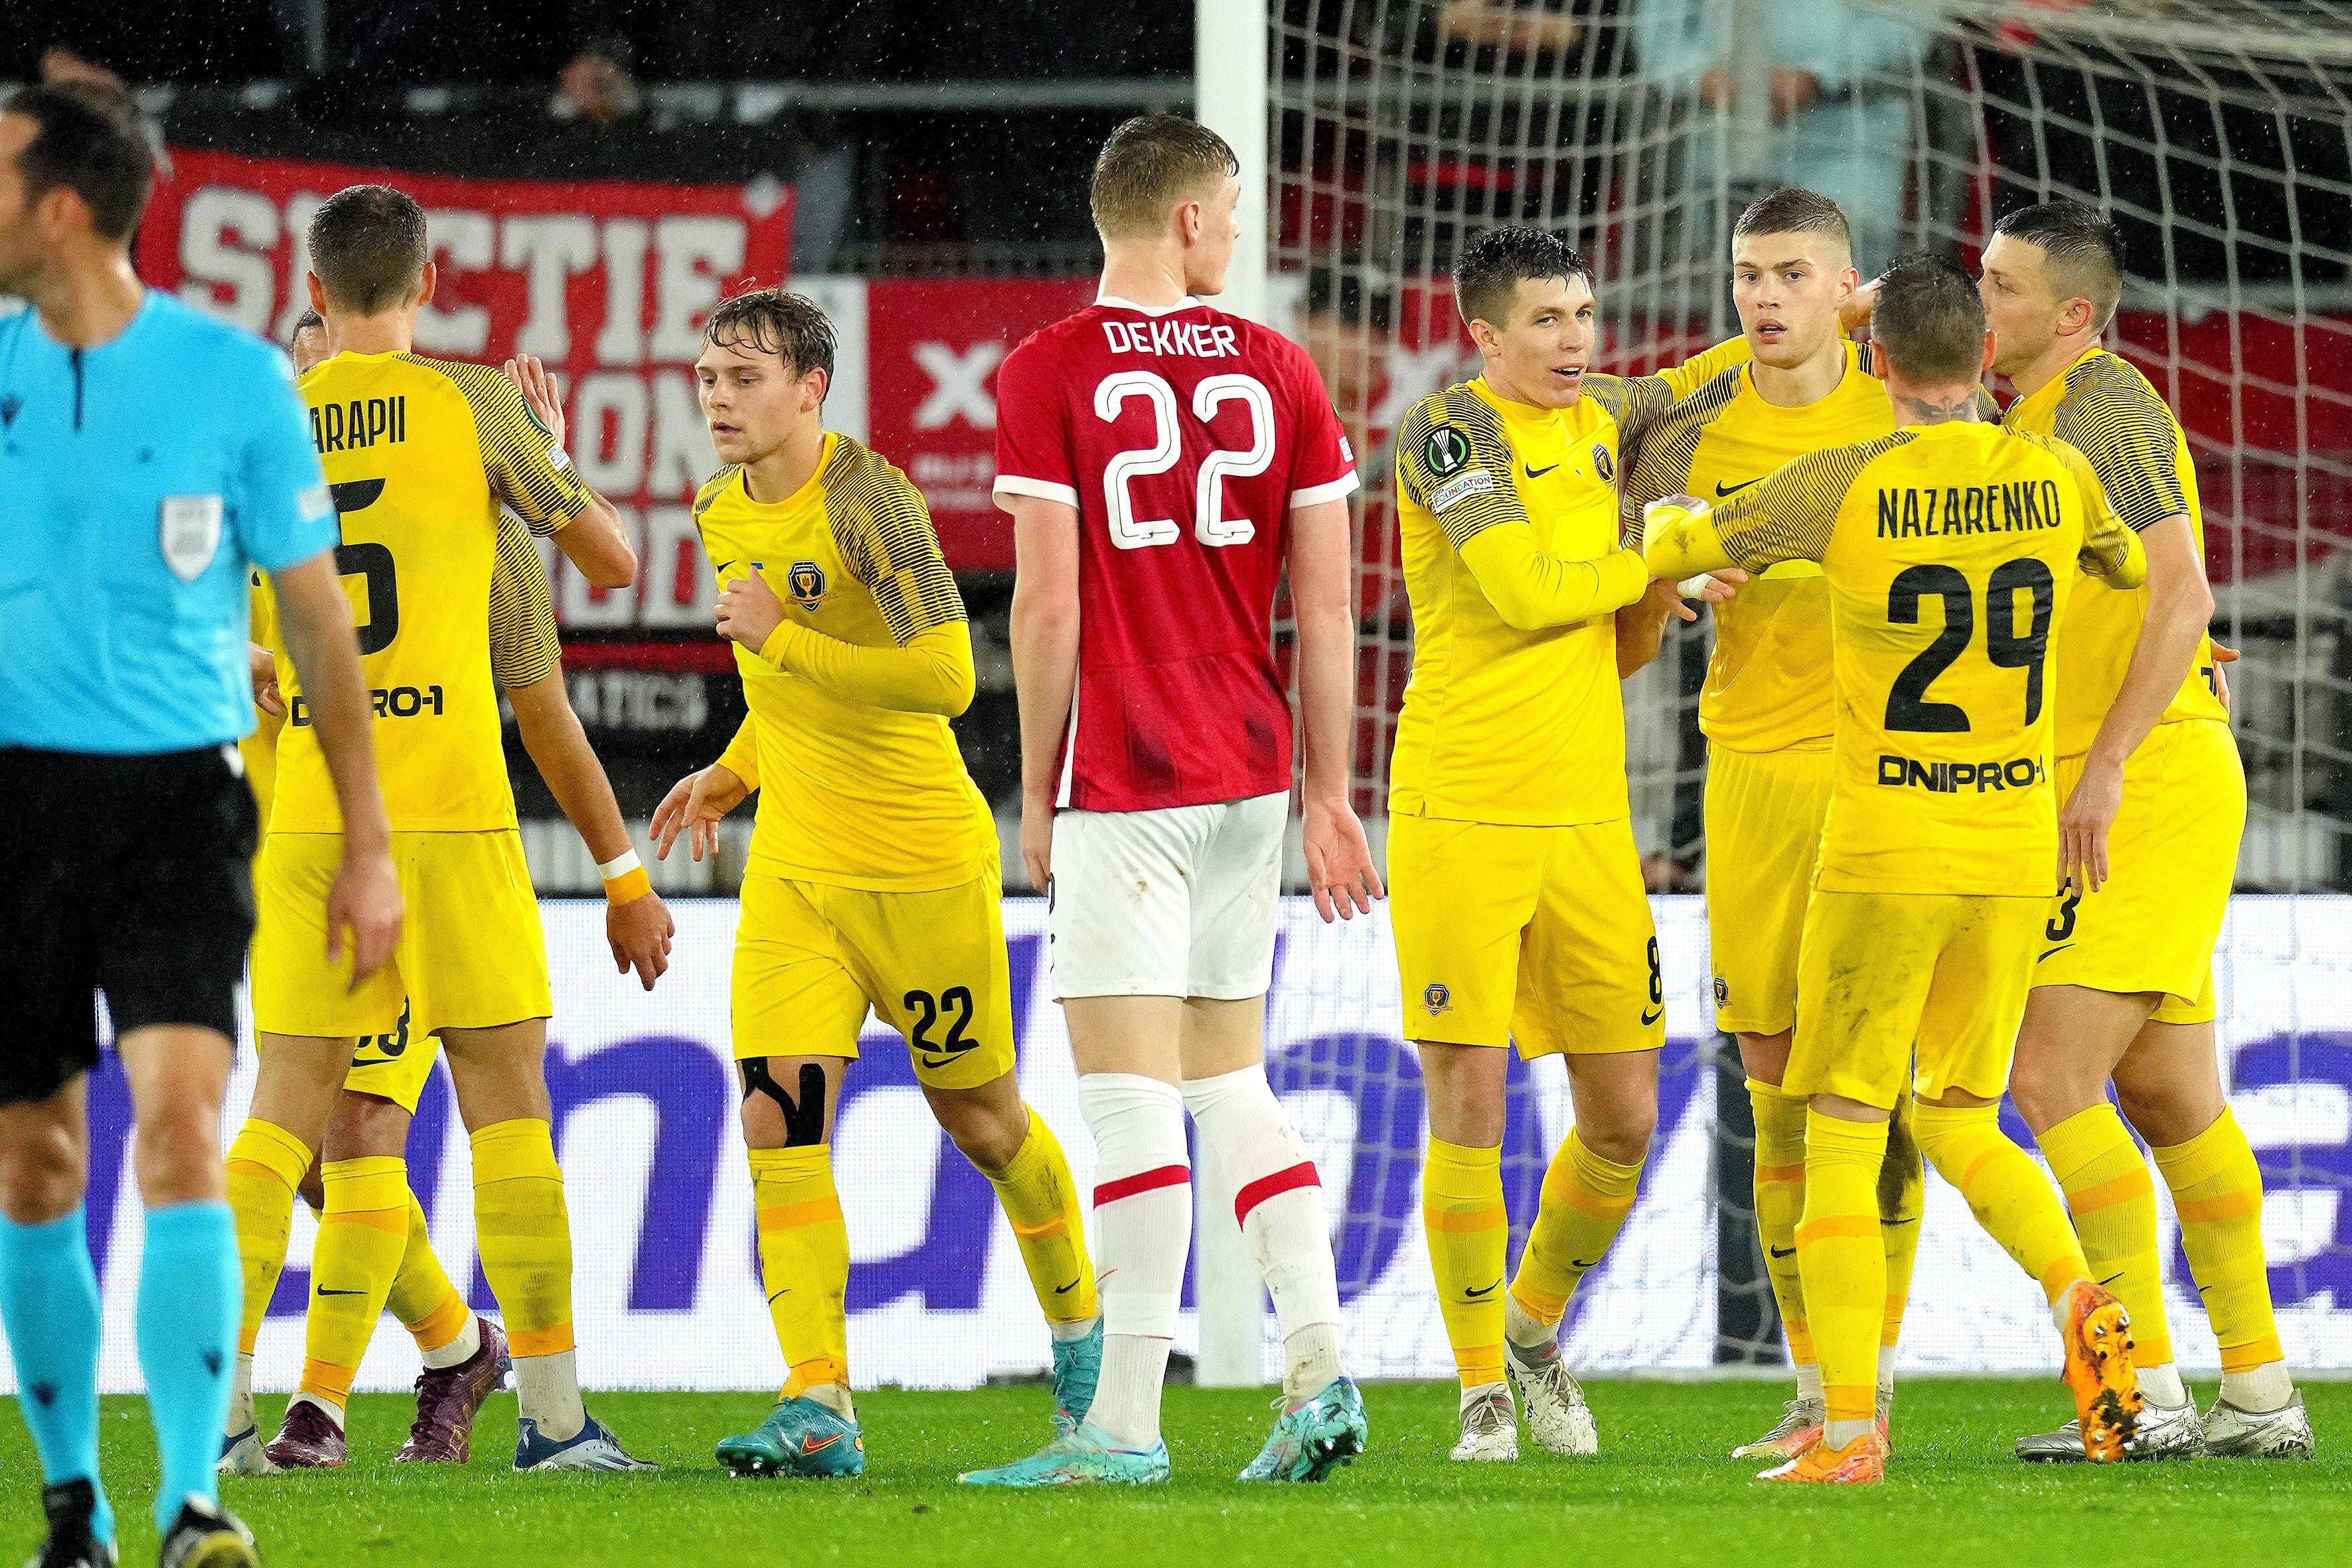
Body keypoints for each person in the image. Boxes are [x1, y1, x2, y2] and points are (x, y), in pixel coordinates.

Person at [1642, 253, 2150, 1484]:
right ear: (1984, 359)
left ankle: (1851, 1430)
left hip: (1884, 848)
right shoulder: (2063, 469)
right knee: (1965, 1112)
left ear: (1874, 363)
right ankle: (2083, 1290)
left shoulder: (1841, 480)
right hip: (2015, 846)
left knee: (1842, 1118)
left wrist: (1667, 525)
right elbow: (2127, 569)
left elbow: (1680, 543)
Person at [0, 82, 398, 1568]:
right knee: (36, 1165)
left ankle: (189, 1503)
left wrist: (365, 844)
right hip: (15, 804)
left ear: (58, 208)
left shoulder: (234, 384)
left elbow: (320, 629)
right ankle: (71, 1501)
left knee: (178, 1133)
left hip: (177, 800)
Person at [962, 113, 1381, 1488]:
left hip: (1126, 770)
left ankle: (1124, 1427)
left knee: (1130, 1103)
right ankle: (1316, 1365)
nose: (1242, 233)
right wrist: (1332, 792)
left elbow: (1045, 598)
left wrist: (1034, 788)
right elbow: (1324, 606)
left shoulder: (1047, 367)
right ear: (1189, 221)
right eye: (1236, 210)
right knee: (1227, 1080)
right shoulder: (1280, 366)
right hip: (1253, 773)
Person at [232, 181, 653, 1474]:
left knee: (282, 1120)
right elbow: (611, 561)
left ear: (311, 295)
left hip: (306, 813)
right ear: (428, 283)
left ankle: (227, 1418)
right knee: (504, 1095)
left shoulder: (263, 421)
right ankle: (556, 1418)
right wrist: (546, 450)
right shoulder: (471, 405)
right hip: (451, 809)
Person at [647, 287, 1101, 1480]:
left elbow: (951, 672)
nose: (721, 399)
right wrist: (733, 770)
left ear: (812, 389)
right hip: (798, 874)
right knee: (777, 1121)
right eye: (709, 376)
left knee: (984, 1121)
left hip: (920, 866)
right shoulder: (715, 508)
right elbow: (775, 689)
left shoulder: (873, 502)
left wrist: (785, 636)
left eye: (746, 378)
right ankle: (819, 1399)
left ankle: (1084, 1336)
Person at [1384, 225, 1738, 1463]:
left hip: (1590, 818)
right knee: (1471, 1105)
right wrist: (1652, 550)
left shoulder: (1601, 425)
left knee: (1625, 1113)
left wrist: (1657, 596)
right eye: (1544, 320)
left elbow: (1608, 637)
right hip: (1461, 809)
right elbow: (1529, 594)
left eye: (1584, 315)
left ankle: (1533, 1328)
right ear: (1482, 333)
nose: (1574, 341)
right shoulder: (1447, 435)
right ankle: (1481, 1386)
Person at [1972, 201, 2308, 1460]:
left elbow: (2190, 595)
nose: (1983, 299)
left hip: (2142, 780)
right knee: (2170, 1096)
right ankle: (2261, 1393)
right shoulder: (2036, 422)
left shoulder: (2103, 404)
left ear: (2071, 313)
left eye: (2003, 286)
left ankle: (2142, 1389)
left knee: (2049, 1077)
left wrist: (2105, 765)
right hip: (2140, 773)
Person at [1616, 187, 1941, 1459]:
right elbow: (1631, 620)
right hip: (1747, 775)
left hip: (1888, 778)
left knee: (1886, 1096)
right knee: (1773, 1093)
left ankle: (1878, 1374)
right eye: (1749, 273)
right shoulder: (1694, 425)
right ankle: (1816, 1388)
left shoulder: (1907, 405)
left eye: (1794, 273)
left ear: (1847, 286)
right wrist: (1669, 576)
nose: (1763, 296)